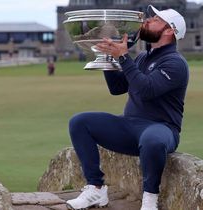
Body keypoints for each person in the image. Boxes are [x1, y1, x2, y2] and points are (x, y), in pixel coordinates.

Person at [66, 5, 189, 210]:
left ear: (169, 31)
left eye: (155, 20)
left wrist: (123, 57)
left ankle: (150, 200)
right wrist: (108, 56)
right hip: (129, 127)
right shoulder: (143, 57)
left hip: (161, 129)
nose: (147, 21)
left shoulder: (175, 63)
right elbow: (117, 88)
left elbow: (146, 90)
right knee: (80, 122)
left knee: (152, 140)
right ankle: (96, 189)